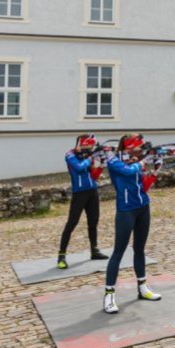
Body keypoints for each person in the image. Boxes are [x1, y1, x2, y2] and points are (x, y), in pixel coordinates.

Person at [103, 133, 161, 314]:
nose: (141, 150)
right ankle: (109, 295)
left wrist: (155, 170)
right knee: (118, 252)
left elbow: (143, 185)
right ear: (129, 147)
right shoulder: (114, 161)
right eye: (138, 147)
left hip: (143, 207)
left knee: (140, 249)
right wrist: (143, 162)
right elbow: (128, 171)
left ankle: (143, 287)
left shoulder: (136, 160)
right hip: (126, 211)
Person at [58, 134, 109, 269]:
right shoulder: (70, 155)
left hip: (92, 191)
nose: (91, 148)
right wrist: (91, 157)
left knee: (93, 222)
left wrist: (101, 164)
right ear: (82, 145)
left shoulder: (88, 156)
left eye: (92, 147)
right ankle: (61, 256)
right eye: (89, 146)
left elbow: (94, 175)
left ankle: (94, 250)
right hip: (79, 193)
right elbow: (79, 167)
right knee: (72, 223)